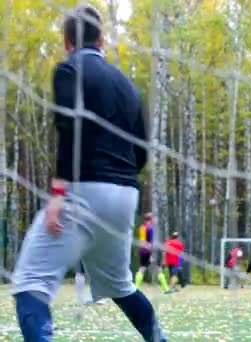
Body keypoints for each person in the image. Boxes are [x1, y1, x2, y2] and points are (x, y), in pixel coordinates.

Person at [11, 5, 166, 341]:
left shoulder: (68, 70)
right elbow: (141, 149)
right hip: (125, 194)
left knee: (30, 282)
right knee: (120, 284)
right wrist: (121, 181)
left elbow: (69, 127)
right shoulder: (127, 85)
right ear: (102, 40)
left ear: (67, 41)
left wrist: (58, 194)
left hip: (85, 192)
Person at [134, 213, 171, 294]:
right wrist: (151, 254)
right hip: (149, 251)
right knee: (159, 269)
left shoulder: (141, 228)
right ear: (151, 219)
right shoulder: (150, 229)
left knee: (142, 269)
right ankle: (166, 289)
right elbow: (151, 243)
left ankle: (135, 288)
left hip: (142, 251)